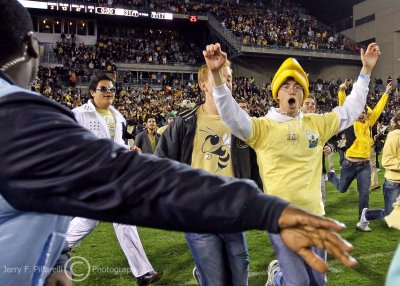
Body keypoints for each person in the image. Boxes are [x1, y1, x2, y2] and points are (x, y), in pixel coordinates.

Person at [0, 2, 358, 286]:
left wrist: (55, 260)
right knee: (217, 278)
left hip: (231, 213)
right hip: (201, 210)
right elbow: (148, 177)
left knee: (239, 272)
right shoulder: (20, 118)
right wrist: (269, 210)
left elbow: (36, 203)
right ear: (32, 46)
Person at [203, 42, 380, 286]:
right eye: (286, 86)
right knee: (299, 284)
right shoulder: (262, 128)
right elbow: (231, 115)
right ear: (278, 94)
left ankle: (278, 276)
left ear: (304, 94)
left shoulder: (316, 124)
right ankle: (278, 277)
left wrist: (366, 71)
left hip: (316, 218)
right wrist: (216, 75)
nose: (292, 90)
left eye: (297, 86)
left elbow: (351, 109)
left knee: (318, 282)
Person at [156, 62, 262, 286]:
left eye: (230, 78)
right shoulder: (186, 120)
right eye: (220, 77)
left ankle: (203, 275)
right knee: (216, 281)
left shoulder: (242, 123)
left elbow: (258, 166)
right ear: (203, 85)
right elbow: (162, 160)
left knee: (240, 276)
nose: (227, 82)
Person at [65, 74, 163, 286]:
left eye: (112, 89)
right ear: (92, 92)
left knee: (92, 220)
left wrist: (129, 149)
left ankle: (143, 273)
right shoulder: (79, 114)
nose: (109, 91)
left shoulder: (117, 116)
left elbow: (116, 143)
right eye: (104, 88)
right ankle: (143, 273)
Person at [328, 82, 391, 232]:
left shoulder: (369, 122)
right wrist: (341, 91)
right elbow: (343, 105)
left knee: (364, 193)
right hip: (349, 164)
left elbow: (378, 108)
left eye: (363, 111)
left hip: (364, 166)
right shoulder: (350, 122)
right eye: (359, 112)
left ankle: (362, 222)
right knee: (342, 188)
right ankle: (331, 176)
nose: (361, 114)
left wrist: (387, 92)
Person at [359, 111, 400, 227]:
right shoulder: (394, 136)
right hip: (394, 182)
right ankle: (367, 214)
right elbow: (386, 161)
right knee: (390, 216)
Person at [301, 96, 335, 206]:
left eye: (312, 104)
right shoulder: (295, 123)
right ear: (301, 107)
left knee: (321, 199)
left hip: (318, 170)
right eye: (307, 103)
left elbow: (329, 141)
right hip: (301, 172)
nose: (310, 105)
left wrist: (330, 147)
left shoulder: (319, 124)